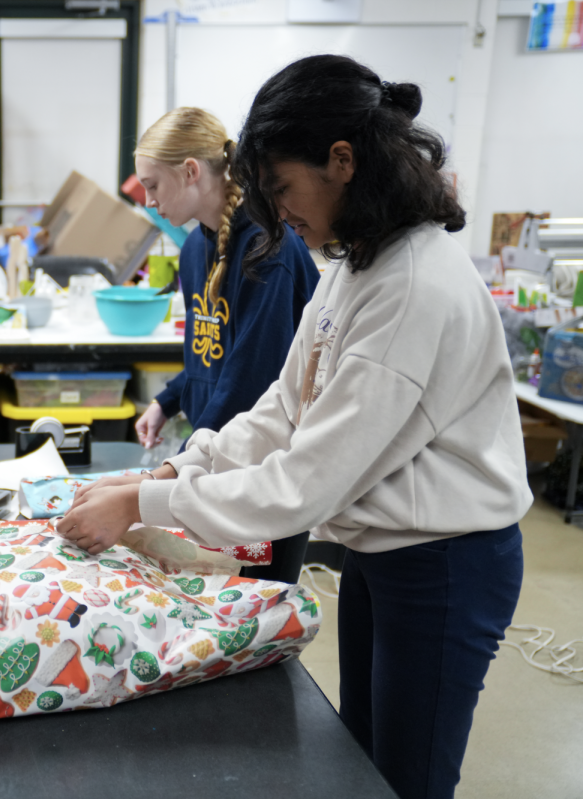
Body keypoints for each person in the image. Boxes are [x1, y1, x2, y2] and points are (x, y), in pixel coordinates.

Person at [59, 54, 529, 799]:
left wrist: (146, 506)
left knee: (407, 778)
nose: (275, 211)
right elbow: (281, 408)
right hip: (386, 551)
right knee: (364, 763)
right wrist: (174, 471)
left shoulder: (411, 283)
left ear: (341, 161)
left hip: (445, 564)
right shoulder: (355, 264)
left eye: (280, 187)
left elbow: (304, 480)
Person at [131, 107, 320, 583]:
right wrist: (168, 400)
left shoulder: (267, 248)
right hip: (213, 453)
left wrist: (178, 469)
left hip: (260, 465)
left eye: (152, 185)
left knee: (256, 604)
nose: (148, 200)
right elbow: (210, 348)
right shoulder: (196, 247)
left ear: (190, 171)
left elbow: (254, 376)